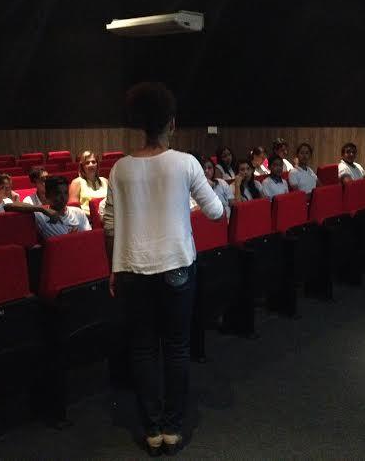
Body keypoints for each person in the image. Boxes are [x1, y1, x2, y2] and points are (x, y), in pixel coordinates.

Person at [103, 82, 223, 455]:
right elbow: (216, 211)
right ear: (172, 122)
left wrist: (113, 268)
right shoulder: (186, 163)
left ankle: (151, 429)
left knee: (142, 350)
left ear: (140, 123)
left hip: (132, 270)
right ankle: (172, 427)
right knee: (176, 347)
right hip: (177, 266)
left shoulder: (120, 169)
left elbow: (110, 226)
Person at [69, 150, 108, 218]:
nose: (91, 165)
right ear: (82, 166)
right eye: (87, 163)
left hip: (107, 218)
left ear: (97, 164)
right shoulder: (77, 182)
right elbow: (73, 208)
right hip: (87, 219)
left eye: (93, 162)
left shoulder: (105, 181)